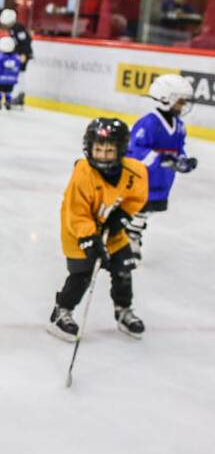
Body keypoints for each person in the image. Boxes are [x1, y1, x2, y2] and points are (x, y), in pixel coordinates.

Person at [48, 118, 148, 341]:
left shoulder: (136, 172)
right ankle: (61, 311)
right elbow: (76, 211)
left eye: (109, 150)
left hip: (110, 228)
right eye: (99, 149)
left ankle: (123, 310)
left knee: (123, 268)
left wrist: (121, 216)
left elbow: (137, 197)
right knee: (83, 273)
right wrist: (89, 239)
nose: (103, 155)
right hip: (77, 229)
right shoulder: (83, 173)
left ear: (120, 150)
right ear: (89, 148)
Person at [124, 74, 198, 262]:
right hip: (145, 177)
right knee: (139, 207)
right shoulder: (149, 123)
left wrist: (182, 161)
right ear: (166, 98)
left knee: (149, 209)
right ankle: (129, 236)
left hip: (164, 178)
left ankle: (132, 233)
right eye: (180, 102)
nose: (182, 106)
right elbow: (135, 150)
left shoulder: (179, 125)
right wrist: (160, 159)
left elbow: (179, 147)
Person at [0, 9, 33, 107]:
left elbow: (26, 41)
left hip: (23, 55)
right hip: (19, 55)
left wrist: (24, 55)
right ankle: (18, 95)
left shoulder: (18, 28)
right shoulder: (13, 29)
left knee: (20, 74)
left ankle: (20, 96)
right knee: (17, 74)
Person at [0, 36, 22, 110]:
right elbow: (17, 70)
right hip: (11, 80)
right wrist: (15, 78)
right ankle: (8, 104)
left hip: (0, 80)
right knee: (8, 92)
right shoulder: (16, 58)